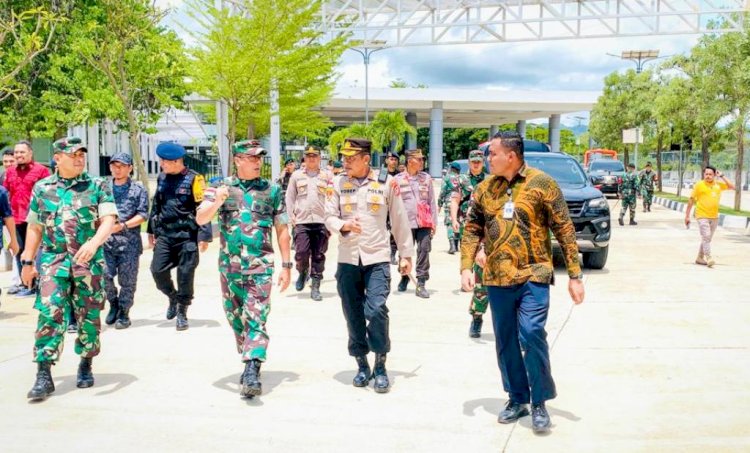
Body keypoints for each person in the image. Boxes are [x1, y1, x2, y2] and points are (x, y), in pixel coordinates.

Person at [460, 131, 584, 434]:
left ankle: (539, 401)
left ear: (511, 156)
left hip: (534, 273)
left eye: (493, 154)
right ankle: (517, 398)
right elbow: (472, 228)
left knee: (531, 333)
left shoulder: (542, 183)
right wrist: (466, 265)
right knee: (505, 340)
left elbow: (564, 229)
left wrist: (575, 275)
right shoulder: (486, 188)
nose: (488, 159)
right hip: (497, 277)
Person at [23, 137, 117, 401]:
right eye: (73, 154)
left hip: (88, 265)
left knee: (88, 317)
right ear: (57, 158)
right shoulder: (42, 188)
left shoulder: (97, 185)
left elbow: (108, 219)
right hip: (54, 262)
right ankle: (44, 374)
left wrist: (95, 242)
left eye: (81, 154)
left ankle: (86, 361)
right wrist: (28, 261)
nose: (79, 158)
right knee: (49, 313)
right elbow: (35, 226)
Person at [196, 140, 291, 398]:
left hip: (260, 266)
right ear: (238, 160)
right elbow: (201, 217)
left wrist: (286, 264)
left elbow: (282, 228)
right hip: (230, 268)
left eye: (259, 157)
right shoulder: (219, 186)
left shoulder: (272, 190)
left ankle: (251, 369)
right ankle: (249, 355)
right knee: (235, 317)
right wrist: (217, 202)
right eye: (251, 158)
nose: (257, 162)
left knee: (256, 316)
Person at [325, 138, 414, 393]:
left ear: (366, 159)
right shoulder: (338, 183)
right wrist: (342, 225)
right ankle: (362, 364)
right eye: (343, 157)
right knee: (352, 314)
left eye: (350, 157)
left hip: (377, 259)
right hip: (348, 259)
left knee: (376, 310)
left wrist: (406, 255)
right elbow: (328, 215)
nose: (345, 162)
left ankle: (381, 363)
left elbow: (399, 219)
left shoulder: (387, 183)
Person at [148, 142, 212, 331]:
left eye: (164, 162)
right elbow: (156, 205)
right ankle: (173, 297)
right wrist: (151, 230)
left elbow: (204, 207)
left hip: (187, 235)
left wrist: (204, 235)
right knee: (157, 271)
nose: (162, 164)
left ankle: (182, 311)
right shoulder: (162, 178)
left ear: (176, 161)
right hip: (166, 235)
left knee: (185, 274)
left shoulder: (195, 179)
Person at [103, 152, 149, 329]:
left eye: (121, 165)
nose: (117, 169)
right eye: (114, 165)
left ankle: (124, 312)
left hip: (129, 243)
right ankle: (113, 303)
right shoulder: (104, 188)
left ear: (130, 168)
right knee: (104, 276)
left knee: (127, 281)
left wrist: (122, 226)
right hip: (106, 242)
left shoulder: (138, 190)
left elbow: (143, 214)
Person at [285, 145, 332, 301]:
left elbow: (333, 198)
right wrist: (290, 215)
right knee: (301, 252)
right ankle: (303, 271)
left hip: (321, 220)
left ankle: (316, 286)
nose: (311, 158)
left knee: (318, 255)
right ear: (304, 158)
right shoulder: (296, 176)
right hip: (302, 220)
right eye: (308, 155)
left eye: (315, 155)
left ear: (319, 158)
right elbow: (290, 197)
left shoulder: (327, 176)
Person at [4, 140, 50, 297]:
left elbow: (48, 195)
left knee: (37, 252)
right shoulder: (10, 172)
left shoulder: (42, 171)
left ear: (30, 153)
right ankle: (26, 284)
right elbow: (6, 194)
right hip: (15, 219)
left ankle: (39, 284)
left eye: (22, 152)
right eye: (16, 152)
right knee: (19, 251)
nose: (18, 155)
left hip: (35, 221)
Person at [450, 150, 489, 338]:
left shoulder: (492, 180)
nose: (476, 165)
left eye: (479, 162)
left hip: (489, 231)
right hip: (470, 230)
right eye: (473, 162)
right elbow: (455, 200)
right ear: (469, 162)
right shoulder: (462, 180)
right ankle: (477, 317)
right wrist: (453, 219)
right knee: (478, 273)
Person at [393, 148, 437, 298]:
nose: (422, 162)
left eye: (422, 159)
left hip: (424, 222)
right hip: (406, 223)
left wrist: (434, 223)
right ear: (410, 161)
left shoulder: (426, 178)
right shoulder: (398, 179)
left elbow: (431, 201)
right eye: (419, 159)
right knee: (405, 250)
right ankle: (405, 276)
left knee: (424, 250)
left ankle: (421, 282)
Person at [684, 165, 734, 267]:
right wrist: (687, 216)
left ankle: (699, 258)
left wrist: (722, 176)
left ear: (714, 175)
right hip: (701, 215)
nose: (708, 176)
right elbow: (691, 200)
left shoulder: (718, 185)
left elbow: (732, 186)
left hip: (714, 216)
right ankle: (709, 257)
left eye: (710, 174)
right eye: (706, 174)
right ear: (704, 174)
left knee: (707, 239)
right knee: (706, 236)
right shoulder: (699, 185)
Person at [438, 162, 461, 254]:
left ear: (451, 168)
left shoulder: (447, 178)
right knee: (458, 221)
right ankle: (456, 244)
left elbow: (442, 191)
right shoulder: (461, 178)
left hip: (449, 202)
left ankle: (452, 245)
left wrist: (439, 204)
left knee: (449, 223)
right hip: (459, 202)